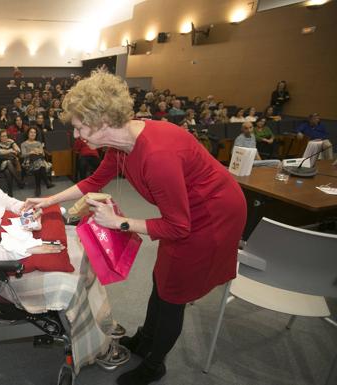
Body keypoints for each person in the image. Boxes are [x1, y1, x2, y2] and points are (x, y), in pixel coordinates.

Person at [23, 71, 246, 385]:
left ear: (101, 120)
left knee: (173, 294)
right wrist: (47, 201)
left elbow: (179, 228)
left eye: (79, 126)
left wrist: (120, 223)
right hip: (185, 213)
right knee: (161, 277)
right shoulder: (122, 143)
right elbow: (93, 182)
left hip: (211, 217)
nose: (76, 136)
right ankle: (145, 340)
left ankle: (155, 365)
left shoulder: (156, 156)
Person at [0, 123, 119, 373]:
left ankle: (102, 323)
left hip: (11, 239)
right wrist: (29, 250)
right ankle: (94, 348)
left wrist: (28, 210)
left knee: (83, 251)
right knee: (71, 284)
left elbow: (6, 201)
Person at [21, 127, 54, 197]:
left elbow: (43, 154)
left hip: (39, 160)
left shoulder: (38, 143)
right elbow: (23, 155)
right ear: (28, 134)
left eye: (34, 132)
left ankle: (38, 187)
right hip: (28, 162)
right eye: (31, 132)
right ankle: (47, 182)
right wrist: (31, 152)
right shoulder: (23, 144)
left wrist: (39, 151)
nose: (33, 134)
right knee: (40, 164)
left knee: (38, 164)